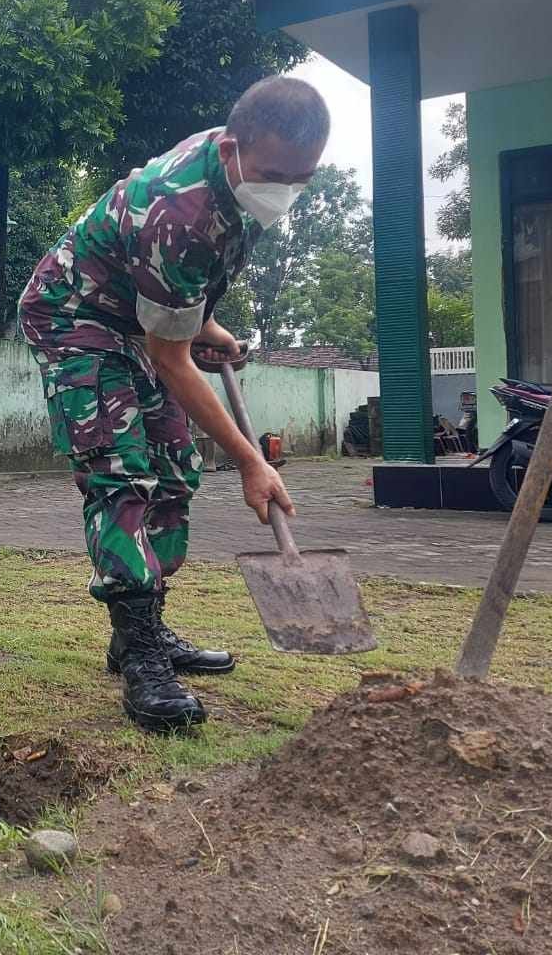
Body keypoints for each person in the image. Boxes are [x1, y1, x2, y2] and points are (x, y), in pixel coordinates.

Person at [17, 76, 329, 733]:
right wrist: (250, 460)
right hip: (73, 314)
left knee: (175, 464)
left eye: (302, 179)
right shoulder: (178, 214)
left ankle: (142, 633)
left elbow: (175, 301)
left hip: (130, 314)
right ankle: (142, 663)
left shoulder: (236, 178)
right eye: (274, 174)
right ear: (231, 147)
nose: (285, 191)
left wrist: (203, 325)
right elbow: (171, 358)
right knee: (121, 469)